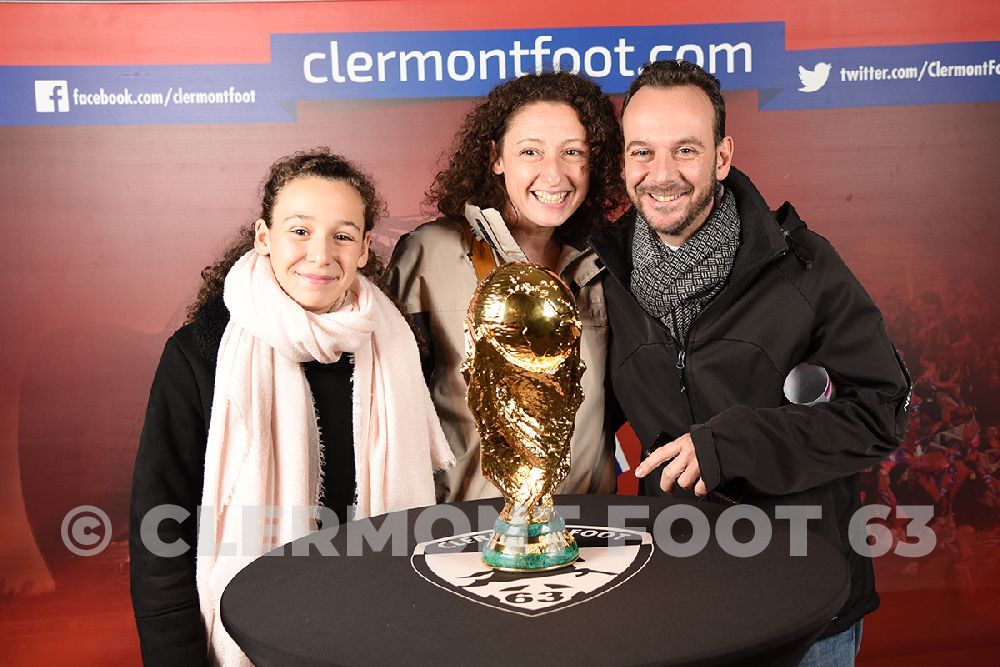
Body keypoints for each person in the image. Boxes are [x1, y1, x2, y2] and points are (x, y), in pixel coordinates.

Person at [589, 60, 911, 665]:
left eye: (685, 149)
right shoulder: (602, 274)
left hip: (807, 605)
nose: (662, 175)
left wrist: (730, 445)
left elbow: (880, 412)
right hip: (680, 597)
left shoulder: (804, 266)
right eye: (642, 152)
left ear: (721, 156)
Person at [129, 149, 453, 667]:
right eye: (299, 231)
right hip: (257, 639)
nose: (321, 255)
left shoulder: (399, 345)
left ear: (366, 247)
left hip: (383, 632)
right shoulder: (200, 354)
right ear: (264, 238)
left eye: (342, 235)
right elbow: (159, 529)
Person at [388, 72, 624, 501]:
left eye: (572, 152)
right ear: (496, 157)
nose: (554, 175)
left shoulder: (608, 261)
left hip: (589, 530)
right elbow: (389, 409)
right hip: (466, 532)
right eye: (530, 151)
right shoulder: (431, 253)